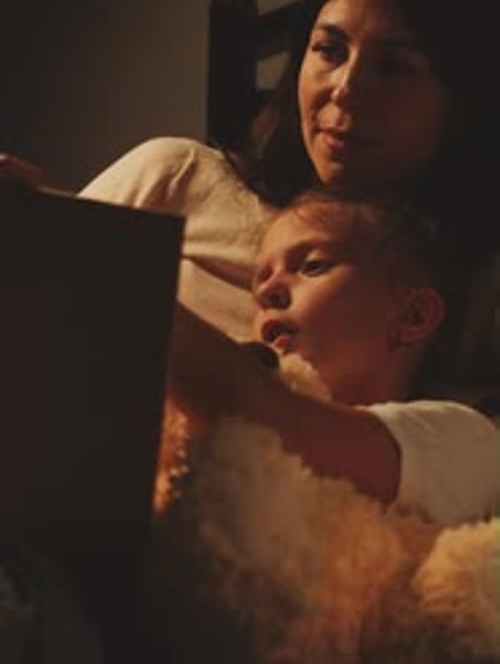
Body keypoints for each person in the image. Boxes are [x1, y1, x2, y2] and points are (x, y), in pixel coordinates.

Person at [79, 0, 500, 371]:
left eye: (395, 66)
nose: (345, 88)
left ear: (462, 99)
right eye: (329, 50)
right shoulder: (176, 177)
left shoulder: (477, 296)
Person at [163, 191, 499, 527]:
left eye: (312, 266)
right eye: (260, 284)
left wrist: (148, 298)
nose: (269, 292)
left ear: (413, 316)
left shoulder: (464, 438)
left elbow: (283, 428)